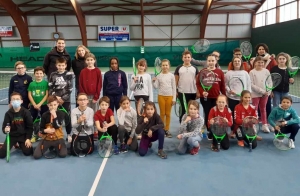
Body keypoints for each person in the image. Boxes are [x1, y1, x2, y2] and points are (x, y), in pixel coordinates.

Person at [196, 54, 225, 140]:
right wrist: (202, 92)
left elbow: (222, 85)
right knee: (208, 114)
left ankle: (215, 129)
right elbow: (198, 84)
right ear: (207, 62)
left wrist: (224, 97)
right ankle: (210, 131)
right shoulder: (202, 71)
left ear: (216, 61)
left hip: (217, 98)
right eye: (209, 61)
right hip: (205, 98)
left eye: (213, 61)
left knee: (216, 114)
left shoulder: (220, 72)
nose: (211, 62)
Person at [0, 92, 33, 158]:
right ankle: (5, 145)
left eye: (17, 99)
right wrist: (5, 130)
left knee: (28, 152)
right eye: (13, 99)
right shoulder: (8, 114)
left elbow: (30, 127)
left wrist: (28, 138)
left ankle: (20, 144)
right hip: (12, 136)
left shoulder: (26, 112)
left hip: (22, 136)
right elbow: (4, 128)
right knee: (1, 155)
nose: (15, 101)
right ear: (11, 102)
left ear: (21, 101)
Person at [225, 56, 251, 137]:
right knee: (232, 115)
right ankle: (233, 131)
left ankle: (246, 131)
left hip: (243, 99)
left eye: (238, 61)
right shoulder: (229, 73)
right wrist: (229, 91)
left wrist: (248, 96)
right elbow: (226, 85)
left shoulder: (245, 73)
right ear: (232, 63)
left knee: (243, 115)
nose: (236, 62)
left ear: (241, 63)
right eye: (235, 61)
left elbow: (248, 85)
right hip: (232, 98)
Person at [48, 57, 73, 138]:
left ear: (65, 65)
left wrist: (63, 98)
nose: (61, 67)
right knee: (55, 117)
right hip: (55, 101)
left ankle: (69, 134)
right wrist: (56, 97)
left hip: (66, 101)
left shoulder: (69, 74)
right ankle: (56, 133)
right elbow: (50, 87)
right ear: (56, 65)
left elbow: (70, 88)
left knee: (67, 118)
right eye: (59, 65)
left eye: (62, 65)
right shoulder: (53, 74)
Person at [79, 53, 102, 140]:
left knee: (95, 113)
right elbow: (80, 84)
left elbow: (99, 85)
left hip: (95, 97)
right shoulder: (83, 71)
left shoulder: (98, 71)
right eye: (88, 60)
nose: (89, 62)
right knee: (86, 113)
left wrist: (96, 97)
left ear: (94, 61)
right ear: (85, 61)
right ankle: (87, 130)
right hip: (85, 97)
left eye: (91, 60)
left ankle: (96, 130)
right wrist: (84, 98)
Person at [152, 59, 176, 138]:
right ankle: (161, 128)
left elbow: (174, 87)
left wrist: (174, 98)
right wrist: (153, 81)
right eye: (163, 65)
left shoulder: (171, 76)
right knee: (162, 113)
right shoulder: (159, 76)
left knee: (168, 114)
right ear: (161, 66)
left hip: (170, 97)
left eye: (166, 65)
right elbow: (156, 87)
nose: (165, 66)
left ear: (169, 66)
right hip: (161, 96)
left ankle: (167, 129)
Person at [174, 49, 199, 123]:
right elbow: (176, 81)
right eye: (185, 57)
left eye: (188, 57)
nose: (187, 58)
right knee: (183, 110)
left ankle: (192, 125)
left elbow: (197, 81)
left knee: (192, 109)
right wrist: (175, 91)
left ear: (191, 58)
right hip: (182, 92)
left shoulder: (195, 68)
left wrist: (198, 91)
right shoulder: (179, 68)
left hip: (193, 92)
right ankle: (182, 124)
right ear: (182, 58)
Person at [249, 56, 271, 133]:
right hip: (255, 94)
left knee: (263, 109)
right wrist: (262, 91)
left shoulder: (266, 71)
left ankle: (265, 125)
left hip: (265, 94)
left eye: (262, 62)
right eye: (259, 62)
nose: (260, 64)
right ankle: (254, 125)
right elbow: (251, 84)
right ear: (255, 63)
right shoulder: (252, 72)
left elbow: (270, 82)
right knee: (254, 109)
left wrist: (268, 91)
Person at [28, 66, 49, 142]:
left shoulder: (46, 83)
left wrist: (40, 104)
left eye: (40, 73)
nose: (39, 75)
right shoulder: (31, 84)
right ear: (34, 74)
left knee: (45, 120)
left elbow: (46, 95)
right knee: (34, 120)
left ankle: (44, 134)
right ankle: (35, 134)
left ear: (43, 74)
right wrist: (34, 104)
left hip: (44, 105)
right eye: (37, 73)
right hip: (34, 106)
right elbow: (29, 94)